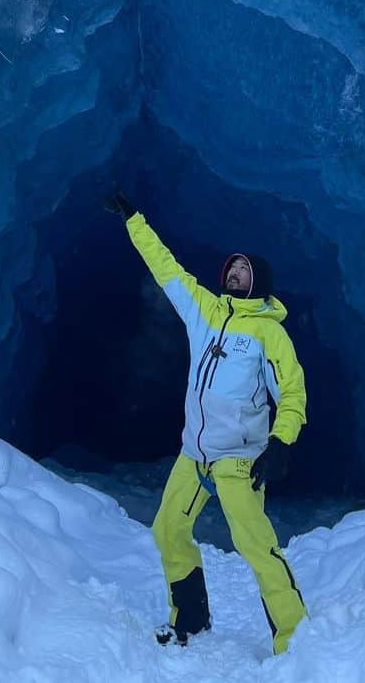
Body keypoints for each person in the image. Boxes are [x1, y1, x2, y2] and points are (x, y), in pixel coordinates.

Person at [103, 190, 308, 655]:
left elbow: (292, 392)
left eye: (244, 271)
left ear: (259, 283)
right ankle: (190, 622)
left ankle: (295, 638)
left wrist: (281, 442)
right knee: (168, 530)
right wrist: (135, 219)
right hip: (194, 454)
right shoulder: (205, 312)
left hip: (240, 458)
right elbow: (166, 267)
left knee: (255, 545)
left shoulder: (267, 332)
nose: (235, 274)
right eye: (232, 269)